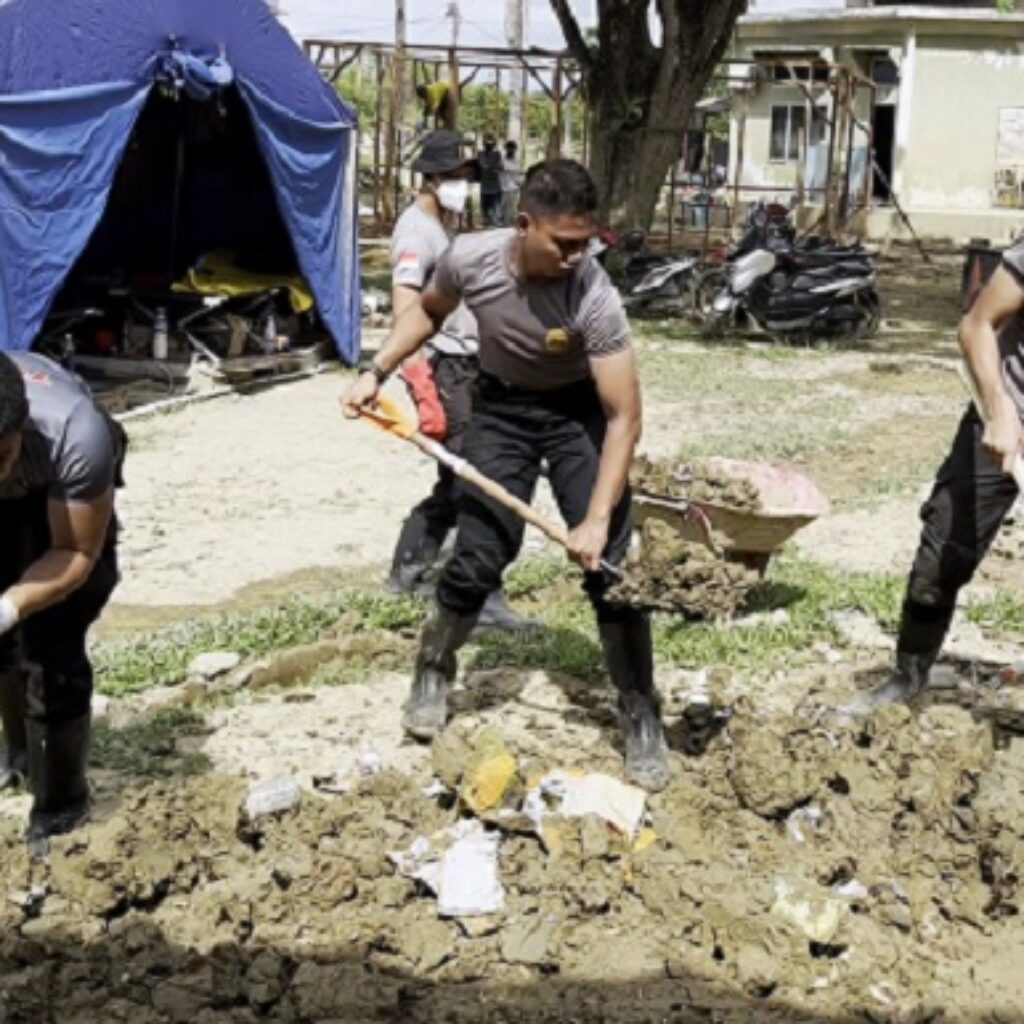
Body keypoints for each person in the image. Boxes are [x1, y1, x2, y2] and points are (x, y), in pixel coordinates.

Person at [344, 159, 670, 791]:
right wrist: (375, 371)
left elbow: (623, 418)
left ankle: (640, 709)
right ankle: (434, 665)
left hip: (576, 415)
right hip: (501, 410)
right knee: (480, 555)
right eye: (564, 243)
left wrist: (596, 520)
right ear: (524, 225)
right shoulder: (472, 258)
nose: (578, 256)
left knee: (612, 567)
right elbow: (429, 312)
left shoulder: (594, 295)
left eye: (586, 242)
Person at [858, 241, 1024, 709]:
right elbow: (976, 326)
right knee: (943, 551)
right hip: (1007, 415)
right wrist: (1000, 409)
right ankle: (908, 677)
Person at [387, 130, 525, 630]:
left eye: (467, 177)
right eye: (454, 177)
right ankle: (480, 595)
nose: (463, 186)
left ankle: (408, 567)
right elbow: (406, 307)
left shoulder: (442, 226)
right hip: (443, 366)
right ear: (430, 178)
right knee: (477, 476)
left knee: (457, 472)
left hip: (466, 363)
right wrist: (419, 381)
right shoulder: (416, 233)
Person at [0, 351, 124, 852]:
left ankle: (60, 806)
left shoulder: (75, 433)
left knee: (52, 643)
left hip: (56, 489)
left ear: (21, 426)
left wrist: (7, 607)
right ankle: (17, 753)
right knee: (5, 647)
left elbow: (74, 553)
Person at [478, 133, 505, 228]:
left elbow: (500, 167)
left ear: (494, 144)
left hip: (495, 186)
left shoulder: (497, 154)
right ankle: (487, 222)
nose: (489, 145)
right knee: (486, 211)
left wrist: (494, 168)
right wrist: (493, 168)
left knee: (496, 210)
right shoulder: (481, 154)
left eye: (491, 143)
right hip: (485, 187)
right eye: (487, 143)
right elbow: (483, 165)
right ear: (484, 144)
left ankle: (496, 223)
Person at [500, 140, 524, 228]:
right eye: (509, 148)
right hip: (502, 188)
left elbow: (519, 174)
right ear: (506, 149)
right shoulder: (501, 161)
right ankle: (504, 225)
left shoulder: (517, 161)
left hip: (513, 188)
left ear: (515, 150)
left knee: (512, 210)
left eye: (513, 149)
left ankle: (509, 226)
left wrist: (520, 183)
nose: (511, 151)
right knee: (503, 209)